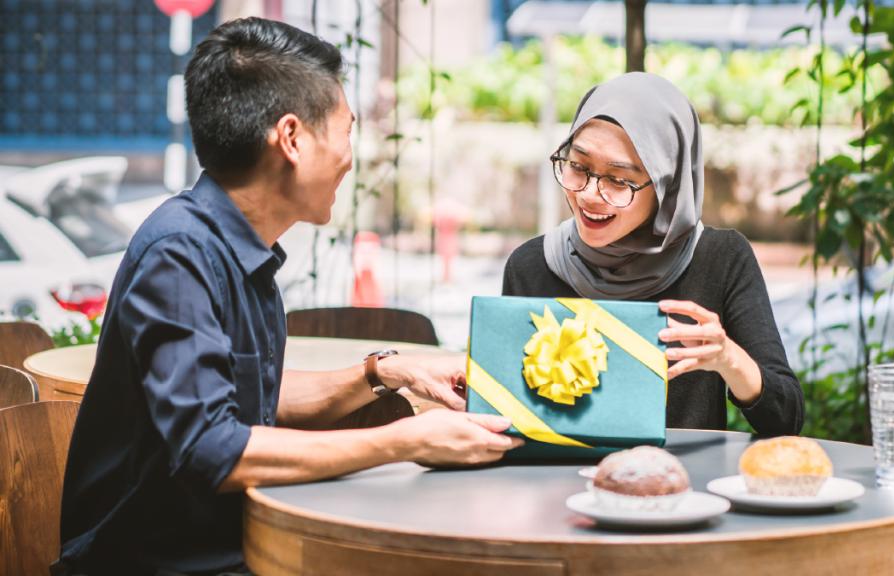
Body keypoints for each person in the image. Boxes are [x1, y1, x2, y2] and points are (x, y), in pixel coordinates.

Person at [58, 17, 522, 575]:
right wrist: (405, 440)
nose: (351, 157)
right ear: (293, 138)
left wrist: (386, 373)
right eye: (347, 131)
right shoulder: (179, 254)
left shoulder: (236, 244)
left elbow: (249, 397)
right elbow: (214, 451)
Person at [503, 72, 803, 436]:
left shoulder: (720, 259)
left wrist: (728, 359)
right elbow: (509, 418)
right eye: (578, 167)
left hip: (685, 488)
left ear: (667, 184)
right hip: (557, 488)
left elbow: (785, 420)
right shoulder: (532, 265)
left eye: (619, 179)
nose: (589, 195)